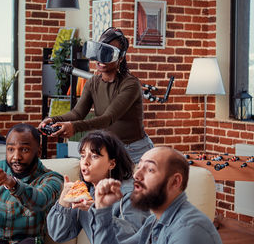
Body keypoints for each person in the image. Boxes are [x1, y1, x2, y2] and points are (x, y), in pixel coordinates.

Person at [38, 27, 153, 163]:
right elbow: (77, 113)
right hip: (110, 147)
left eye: (108, 53)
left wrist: (74, 127)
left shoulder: (131, 84)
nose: (101, 58)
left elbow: (108, 118)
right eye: (101, 51)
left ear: (120, 58)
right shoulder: (93, 82)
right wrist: (53, 120)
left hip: (135, 150)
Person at [91, 146, 223, 244]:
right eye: (139, 167)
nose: (137, 175)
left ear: (175, 181)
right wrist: (103, 209)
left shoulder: (189, 230)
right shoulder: (154, 222)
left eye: (150, 169)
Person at [46, 130, 150, 243]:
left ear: (112, 163)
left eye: (94, 156)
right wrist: (64, 201)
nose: (85, 162)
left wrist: (98, 211)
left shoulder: (130, 194)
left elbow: (138, 238)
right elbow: (59, 235)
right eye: (82, 156)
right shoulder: (87, 192)